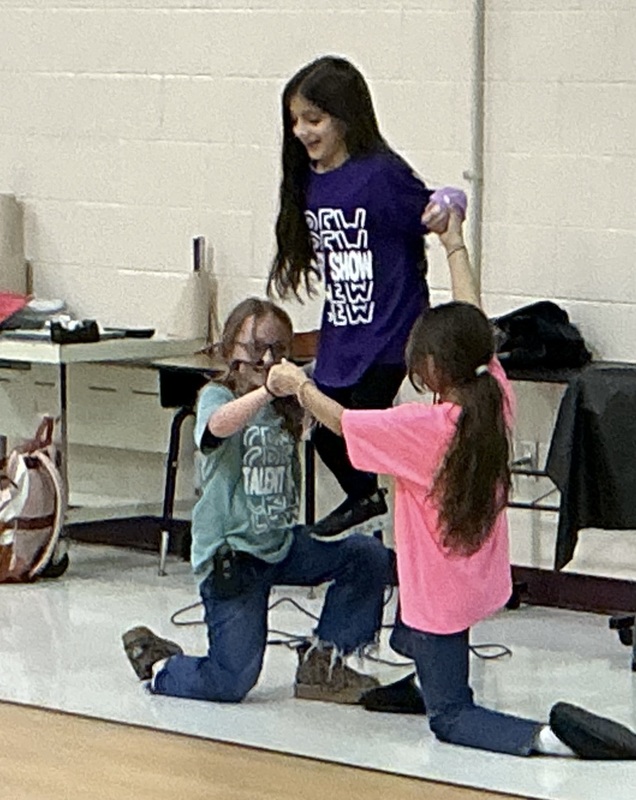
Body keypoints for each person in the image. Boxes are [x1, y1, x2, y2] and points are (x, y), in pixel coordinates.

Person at [266, 213, 636, 759]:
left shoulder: (425, 429)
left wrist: (298, 384)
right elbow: (475, 321)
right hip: (474, 575)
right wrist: (453, 243)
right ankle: (421, 679)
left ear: (434, 367)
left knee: (450, 715)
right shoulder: (493, 397)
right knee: (407, 630)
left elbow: (343, 422)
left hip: (438, 593)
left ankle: (549, 738)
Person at [121, 297, 390, 705]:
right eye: (255, 348)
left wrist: (308, 387)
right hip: (233, 556)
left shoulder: (288, 404)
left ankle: (324, 663)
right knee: (231, 682)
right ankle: (162, 665)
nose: (266, 359)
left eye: (277, 349)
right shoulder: (216, 395)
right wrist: (266, 391)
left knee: (365, 555)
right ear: (231, 348)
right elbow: (216, 427)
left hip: (280, 543)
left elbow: (340, 420)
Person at [267, 55, 466, 538]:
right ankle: (367, 498)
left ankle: (393, 502)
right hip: (344, 328)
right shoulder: (310, 180)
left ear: (344, 118)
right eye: (295, 121)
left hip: (391, 329)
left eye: (314, 120)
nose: (302, 131)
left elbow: (432, 207)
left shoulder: (380, 174)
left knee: (360, 417)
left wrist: (449, 204)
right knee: (324, 432)